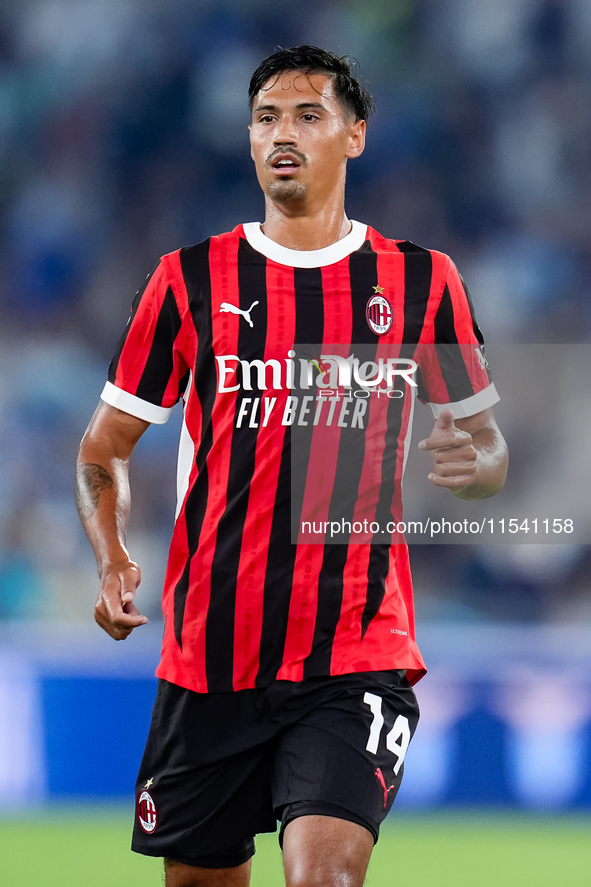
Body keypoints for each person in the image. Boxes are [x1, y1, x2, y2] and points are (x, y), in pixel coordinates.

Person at [75, 46, 508, 887]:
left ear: (354, 137)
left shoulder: (420, 280)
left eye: (308, 115)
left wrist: (477, 464)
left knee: (325, 879)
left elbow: (485, 444)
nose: (284, 132)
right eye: (268, 117)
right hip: (211, 654)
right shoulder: (188, 280)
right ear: (247, 140)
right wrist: (113, 556)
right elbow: (104, 448)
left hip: (354, 649)